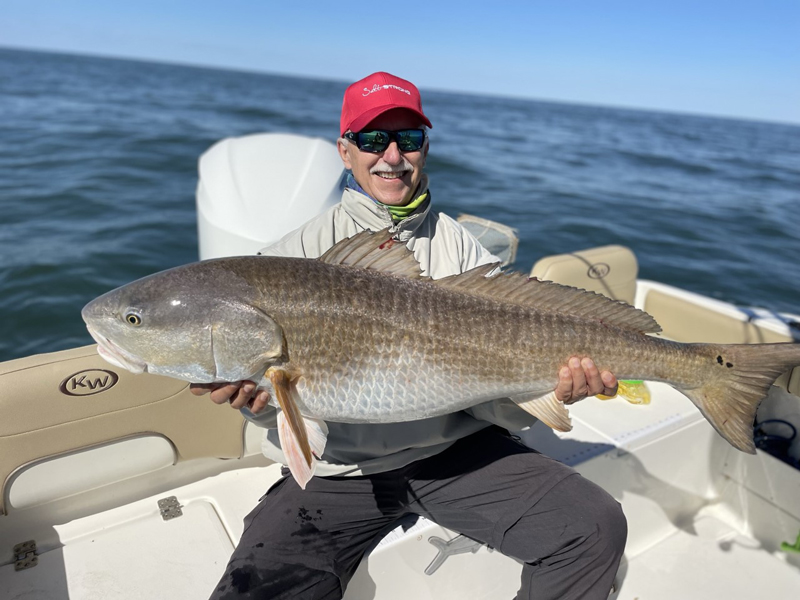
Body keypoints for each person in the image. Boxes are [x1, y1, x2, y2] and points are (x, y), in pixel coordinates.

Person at [192, 72, 626, 600]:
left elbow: (495, 396)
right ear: (344, 151)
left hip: (456, 453)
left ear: (425, 147)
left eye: (409, 139)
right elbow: (280, 405)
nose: (391, 156)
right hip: (339, 472)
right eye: (373, 140)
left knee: (594, 528)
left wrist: (553, 389)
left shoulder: (461, 249)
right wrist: (255, 404)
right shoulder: (292, 258)